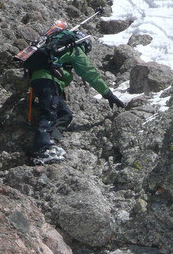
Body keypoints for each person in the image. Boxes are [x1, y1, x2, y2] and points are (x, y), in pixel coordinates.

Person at [30, 29, 124, 165]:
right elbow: (90, 74)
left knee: (65, 114)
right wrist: (108, 95)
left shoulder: (55, 46)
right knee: (49, 114)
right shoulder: (75, 48)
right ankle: (41, 149)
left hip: (40, 80)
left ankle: (51, 143)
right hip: (48, 80)